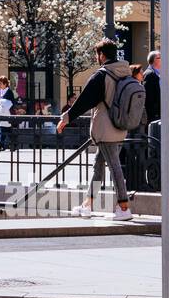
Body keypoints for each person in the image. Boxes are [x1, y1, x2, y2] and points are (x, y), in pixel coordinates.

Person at [57, 39, 134, 221]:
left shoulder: (102, 75)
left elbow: (83, 101)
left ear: (101, 55)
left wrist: (65, 118)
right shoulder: (125, 73)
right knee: (98, 166)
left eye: (97, 54)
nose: (96, 58)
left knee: (114, 167)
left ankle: (123, 207)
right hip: (121, 126)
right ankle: (87, 204)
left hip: (105, 128)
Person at [143, 51, 161, 126]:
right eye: (159, 57)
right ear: (153, 60)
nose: (162, 59)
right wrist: (154, 113)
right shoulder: (150, 74)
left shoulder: (158, 74)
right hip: (153, 115)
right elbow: (149, 97)